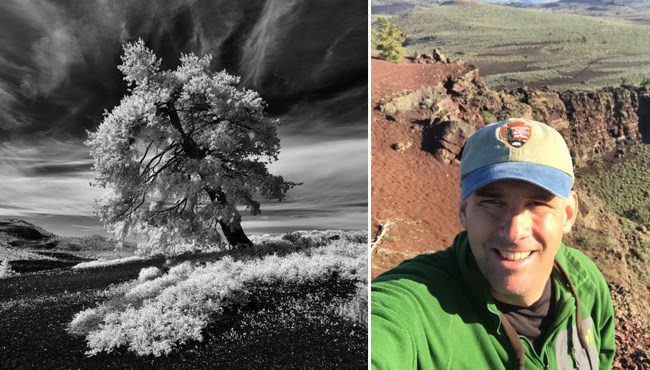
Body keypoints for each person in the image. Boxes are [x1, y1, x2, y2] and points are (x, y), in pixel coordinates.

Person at [371, 118, 615, 369]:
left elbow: (603, 357)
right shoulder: (417, 307)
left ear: (568, 214)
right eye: (493, 202)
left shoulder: (586, 282)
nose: (513, 232)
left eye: (537, 204)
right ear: (464, 211)